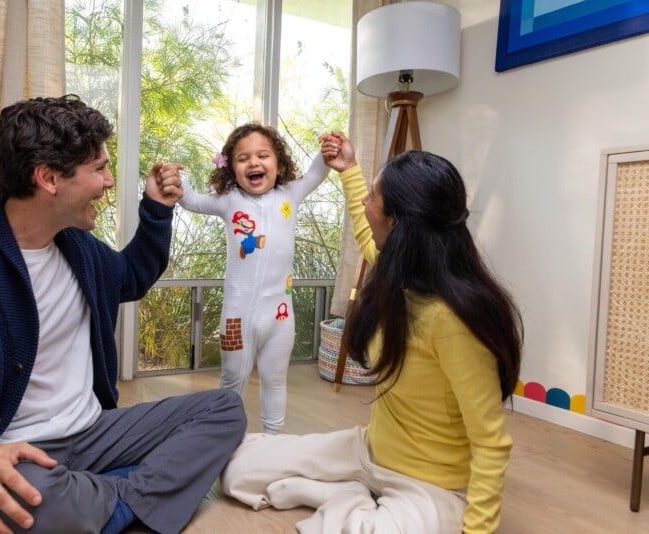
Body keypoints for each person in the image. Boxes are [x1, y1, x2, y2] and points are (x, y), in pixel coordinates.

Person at [0, 95, 247, 534]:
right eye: (98, 169)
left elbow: (132, 276)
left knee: (224, 409)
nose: (107, 182)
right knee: (13, 503)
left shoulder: (77, 248)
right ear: (47, 178)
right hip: (13, 453)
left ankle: (103, 503)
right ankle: (121, 499)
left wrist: (156, 208)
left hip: (92, 432)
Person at [220, 133, 523, 534]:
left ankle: (347, 499)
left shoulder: (454, 321)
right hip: (369, 451)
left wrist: (477, 530)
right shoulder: (398, 272)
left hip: (431, 484)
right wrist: (349, 171)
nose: (366, 203)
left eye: (374, 197)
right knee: (236, 472)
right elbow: (367, 233)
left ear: (397, 221)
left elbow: (491, 442)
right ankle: (348, 494)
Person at [177, 123, 331, 434]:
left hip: (280, 316)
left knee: (275, 380)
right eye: (243, 158)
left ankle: (272, 443)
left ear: (279, 163)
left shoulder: (291, 193)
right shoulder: (229, 200)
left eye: (263, 155)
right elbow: (191, 200)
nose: (254, 163)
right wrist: (175, 178)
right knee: (232, 382)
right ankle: (221, 440)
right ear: (230, 168)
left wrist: (327, 152)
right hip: (236, 317)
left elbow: (316, 173)